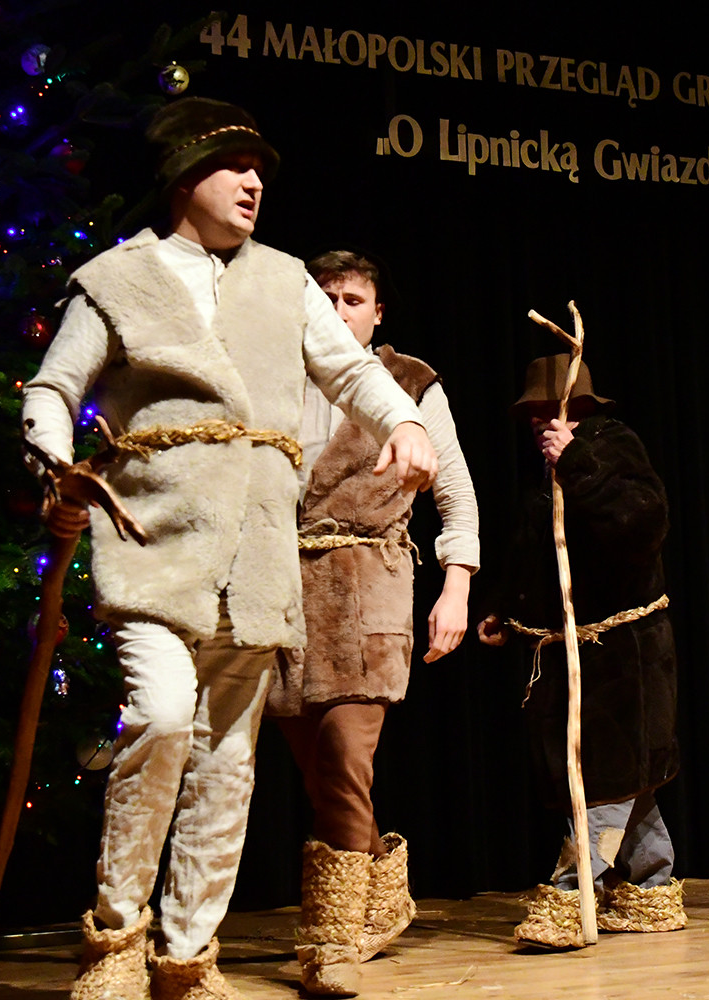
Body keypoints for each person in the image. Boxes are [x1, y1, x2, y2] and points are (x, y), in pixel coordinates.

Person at [21, 98, 436, 1000]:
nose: (254, 184)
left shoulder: (283, 279)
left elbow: (351, 369)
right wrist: (56, 464)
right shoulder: (116, 280)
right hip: (154, 542)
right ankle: (115, 939)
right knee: (163, 715)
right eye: (234, 166)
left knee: (226, 761)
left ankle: (186, 957)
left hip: (255, 552)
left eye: (260, 172)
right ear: (183, 177)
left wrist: (404, 422)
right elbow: (54, 387)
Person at [265, 250, 480, 996]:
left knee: (343, 757)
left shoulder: (409, 383)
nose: (336, 310)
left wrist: (455, 590)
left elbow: (455, 493)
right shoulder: (274, 376)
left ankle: (332, 940)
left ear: (377, 312)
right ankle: (382, 895)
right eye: (324, 297)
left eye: (352, 299)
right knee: (319, 773)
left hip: (370, 584)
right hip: (285, 590)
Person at [477, 354, 684, 949]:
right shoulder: (549, 468)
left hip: (622, 655)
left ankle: (574, 892)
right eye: (533, 414)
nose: (538, 423)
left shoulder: (609, 444)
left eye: (548, 411)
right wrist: (505, 607)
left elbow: (643, 525)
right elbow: (535, 548)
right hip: (574, 652)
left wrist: (578, 461)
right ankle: (650, 885)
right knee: (624, 779)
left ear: (577, 409)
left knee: (603, 779)